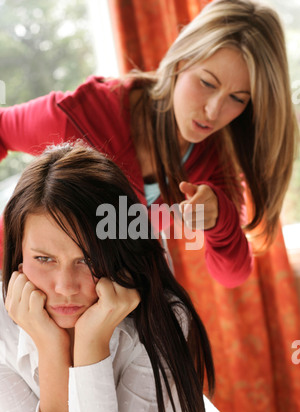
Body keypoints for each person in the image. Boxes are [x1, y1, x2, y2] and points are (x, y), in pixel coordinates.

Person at [0, 0, 297, 288]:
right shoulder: (83, 115)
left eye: (237, 98)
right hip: (17, 284)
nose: (213, 111)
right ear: (181, 61)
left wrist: (220, 219)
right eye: (207, 83)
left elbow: (232, 274)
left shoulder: (213, 160)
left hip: (89, 303)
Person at [0, 142, 232, 412]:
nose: (66, 286)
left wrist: (91, 346)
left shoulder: (161, 317)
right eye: (44, 259)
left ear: (118, 253)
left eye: (88, 260)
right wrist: (51, 348)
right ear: (18, 258)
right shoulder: (4, 328)